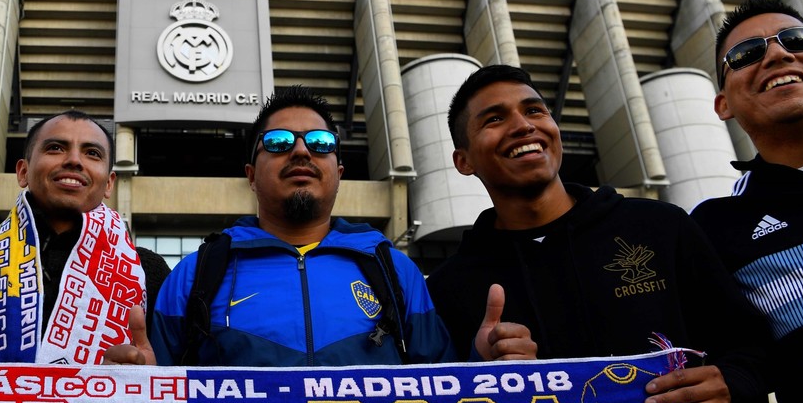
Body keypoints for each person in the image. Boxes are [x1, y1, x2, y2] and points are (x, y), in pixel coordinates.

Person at [427, 64, 771, 403]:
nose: (522, 125)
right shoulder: (448, 288)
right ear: (464, 160)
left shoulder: (659, 228)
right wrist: (480, 373)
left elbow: (750, 348)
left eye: (535, 110)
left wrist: (732, 387)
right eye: (494, 119)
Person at [150, 86, 535, 367]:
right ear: (251, 175)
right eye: (279, 141)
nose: (301, 151)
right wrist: (127, 381)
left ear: (339, 171)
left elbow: (440, 393)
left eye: (320, 142)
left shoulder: (392, 268)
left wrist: (481, 367)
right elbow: (153, 401)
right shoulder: (196, 274)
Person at [690, 0, 803, 403]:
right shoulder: (717, 228)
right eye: (746, 54)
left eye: (799, 41)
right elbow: (734, 366)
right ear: (722, 104)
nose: (777, 55)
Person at [0, 110, 169, 366]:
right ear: (23, 172)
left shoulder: (148, 271)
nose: (74, 161)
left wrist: (151, 376)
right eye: (56, 148)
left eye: (92, 153)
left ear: (109, 183)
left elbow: (175, 380)